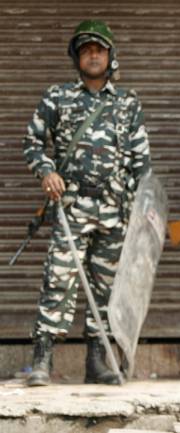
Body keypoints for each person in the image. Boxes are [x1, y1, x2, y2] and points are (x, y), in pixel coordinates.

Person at [22, 19, 152, 386]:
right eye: (86, 50)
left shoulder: (128, 102)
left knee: (105, 288)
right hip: (72, 208)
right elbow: (32, 144)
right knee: (58, 280)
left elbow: (141, 161)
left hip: (114, 211)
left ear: (111, 56)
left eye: (99, 49)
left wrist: (142, 212)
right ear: (77, 58)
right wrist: (46, 171)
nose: (93, 55)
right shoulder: (56, 97)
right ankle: (42, 360)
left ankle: (96, 363)